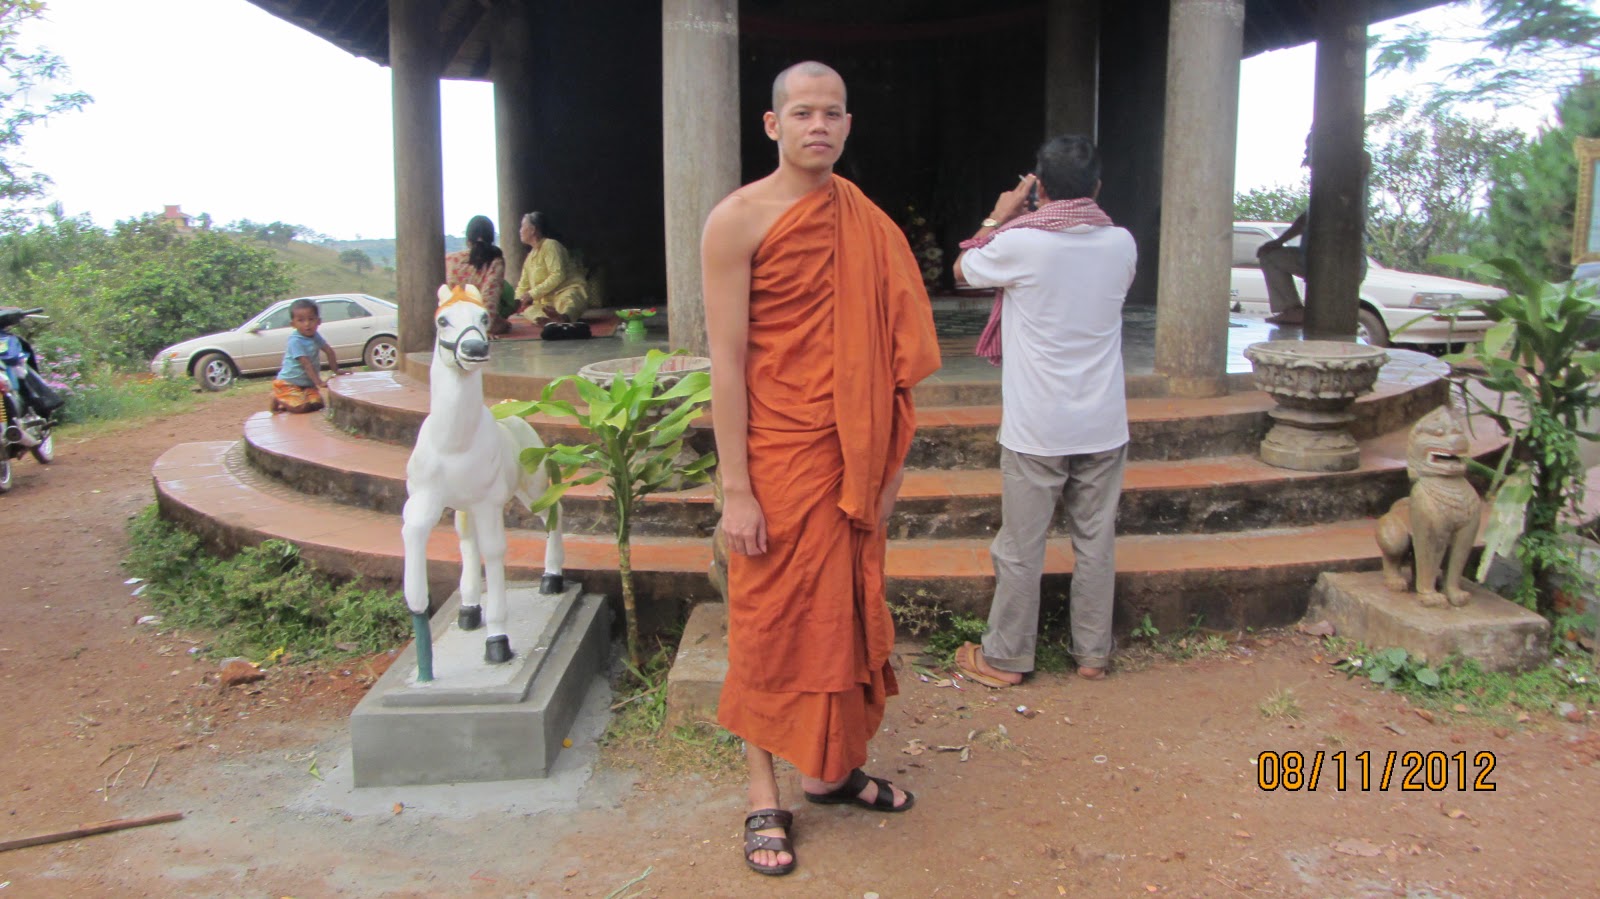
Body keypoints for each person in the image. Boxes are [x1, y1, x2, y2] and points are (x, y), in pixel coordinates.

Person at [701, 60, 941, 877]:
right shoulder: (737, 221)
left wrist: (886, 469)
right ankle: (762, 793)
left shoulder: (865, 221)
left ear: (847, 125)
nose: (819, 126)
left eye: (832, 113)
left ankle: (830, 771)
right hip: (777, 457)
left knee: (840, 615)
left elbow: (896, 356)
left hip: (849, 458)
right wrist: (737, 487)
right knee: (768, 625)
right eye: (802, 112)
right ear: (773, 125)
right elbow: (726, 362)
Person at [948, 134, 1136, 689]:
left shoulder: (1021, 243)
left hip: (1038, 427)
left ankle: (1005, 659)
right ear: (1097, 186)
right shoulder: (1122, 243)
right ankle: (1092, 654)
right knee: (1095, 542)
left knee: (1020, 548)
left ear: (1040, 189)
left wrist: (1000, 214)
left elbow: (962, 269)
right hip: (1103, 422)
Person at [1255, 136, 1371, 325]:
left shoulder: (1352, 169)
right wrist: (1278, 242)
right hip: (1312, 260)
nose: (1307, 152)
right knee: (1271, 257)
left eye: (1310, 147)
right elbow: (1304, 220)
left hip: (1343, 263)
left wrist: (1329, 154)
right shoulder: (1321, 188)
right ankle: (1292, 310)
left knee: (1329, 320)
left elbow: (1363, 160)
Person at [514, 211, 593, 326]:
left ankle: (563, 318)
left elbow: (558, 275)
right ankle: (550, 320)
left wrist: (532, 294)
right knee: (528, 310)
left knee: (569, 298)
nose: (520, 230)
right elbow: (523, 286)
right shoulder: (529, 258)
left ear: (532, 230)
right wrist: (516, 302)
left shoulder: (551, 245)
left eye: (522, 226)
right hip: (547, 302)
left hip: (564, 291)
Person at [269, 298, 344, 413]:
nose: (307, 324)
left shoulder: (315, 336)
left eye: (311, 319)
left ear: (318, 321)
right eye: (301, 320)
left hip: (307, 385)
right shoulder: (295, 341)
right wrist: (319, 382)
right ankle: (276, 397)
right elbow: (306, 364)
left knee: (317, 405)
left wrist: (336, 370)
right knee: (302, 408)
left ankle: (293, 400)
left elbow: (329, 351)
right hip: (288, 383)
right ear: (293, 324)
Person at [445, 215, 509, 335]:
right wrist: (485, 330)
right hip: (478, 321)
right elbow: (489, 298)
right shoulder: (495, 262)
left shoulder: (450, 259)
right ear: (491, 238)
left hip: (452, 320)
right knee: (505, 325)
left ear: (468, 240)